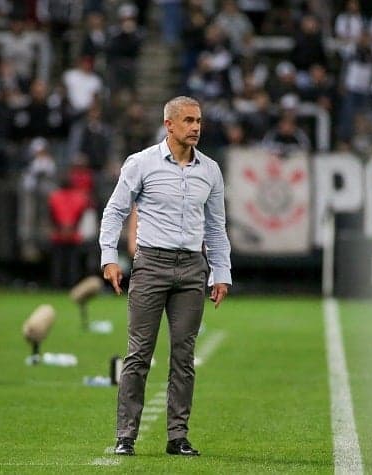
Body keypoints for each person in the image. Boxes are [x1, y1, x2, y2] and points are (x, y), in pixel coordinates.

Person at [99, 96, 232, 457]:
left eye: (199, 120)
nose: (196, 127)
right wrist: (109, 258)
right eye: (188, 120)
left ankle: (178, 437)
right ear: (169, 124)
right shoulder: (141, 163)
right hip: (151, 265)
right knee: (138, 354)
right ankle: (125, 436)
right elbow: (114, 212)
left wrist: (221, 272)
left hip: (192, 268)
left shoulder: (211, 170)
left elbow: (216, 228)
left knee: (184, 358)